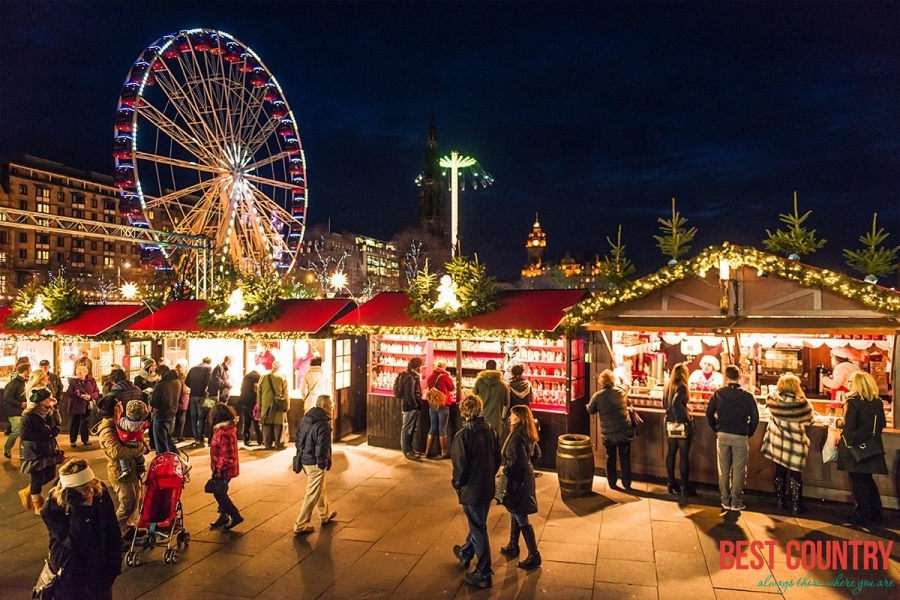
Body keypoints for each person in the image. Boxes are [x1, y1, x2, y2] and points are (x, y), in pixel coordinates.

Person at [40, 458, 121, 600]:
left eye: (90, 485)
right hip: (70, 571)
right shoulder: (52, 509)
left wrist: (113, 567)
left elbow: (112, 531)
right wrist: (78, 509)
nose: (89, 491)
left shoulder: (99, 493)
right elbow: (75, 542)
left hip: (98, 568)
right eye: (83, 489)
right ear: (70, 491)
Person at [451, 394, 500, 589]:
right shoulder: (491, 431)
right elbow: (497, 459)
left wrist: (457, 483)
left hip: (471, 488)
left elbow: (460, 467)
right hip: (487, 486)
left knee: (478, 529)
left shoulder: (463, 436)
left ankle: (484, 573)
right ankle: (465, 553)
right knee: (478, 522)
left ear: (464, 411)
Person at [706, 365, 759, 512]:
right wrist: (749, 432)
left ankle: (724, 500)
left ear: (726, 377)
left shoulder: (718, 393)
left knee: (724, 469)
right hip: (740, 435)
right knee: (739, 470)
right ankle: (736, 501)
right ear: (740, 376)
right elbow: (755, 418)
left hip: (722, 434)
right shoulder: (747, 396)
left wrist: (716, 428)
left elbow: (709, 413)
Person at [837, 371, 888, 526]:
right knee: (868, 479)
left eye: (851, 381)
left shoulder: (852, 402)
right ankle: (876, 512)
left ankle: (863, 516)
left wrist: (838, 423)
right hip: (871, 446)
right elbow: (882, 425)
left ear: (857, 384)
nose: (848, 383)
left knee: (858, 481)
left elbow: (848, 427)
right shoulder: (877, 401)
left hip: (855, 449)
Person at [760, 374, 815, 514]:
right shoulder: (802, 403)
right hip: (795, 444)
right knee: (795, 475)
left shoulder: (772, 399)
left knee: (779, 472)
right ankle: (796, 505)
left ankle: (780, 501)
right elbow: (810, 420)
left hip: (778, 442)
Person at [95, 395, 147, 535]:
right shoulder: (107, 429)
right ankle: (114, 535)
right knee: (127, 504)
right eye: (120, 403)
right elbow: (116, 452)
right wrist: (138, 450)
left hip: (131, 468)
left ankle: (127, 528)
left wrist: (143, 446)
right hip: (120, 472)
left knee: (135, 501)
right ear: (117, 407)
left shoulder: (120, 422)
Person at [499, 404, 541, 570]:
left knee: (520, 515)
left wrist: (507, 471)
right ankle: (513, 544)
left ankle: (534, 554)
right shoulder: (528, 432)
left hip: (518, 481)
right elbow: (537, 454)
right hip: (526, 477)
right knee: (514, 511)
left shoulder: (516, 436)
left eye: (513, 415)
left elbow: (518, 462)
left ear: (520, 418)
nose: (510, 417)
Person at [293, 394, 337, 535]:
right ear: (324, 406)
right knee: (312, 493)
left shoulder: (307, 418)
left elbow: (298, 438)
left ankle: (324, 514)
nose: (333, 406)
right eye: (331, 404)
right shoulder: (322, 424)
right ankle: (300, 524)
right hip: (313, 461)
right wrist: (322, 463)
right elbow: (321, 446)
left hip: (305, 458)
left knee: (320, 487)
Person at [587, 369, 634, 491]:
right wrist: (621, 375)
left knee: (610, 457)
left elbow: (590, 410)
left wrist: (588, 406)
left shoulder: (598, 396)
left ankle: (612, 483)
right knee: (625, 457)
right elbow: (627, 385)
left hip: (609, 434)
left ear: (601, 382)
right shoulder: (621, 391)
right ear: (612, 380)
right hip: (624, 430)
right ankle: (627, 483)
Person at [19, 388, 61, 514]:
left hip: (48, 449)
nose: (51, 400)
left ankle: (27, 491)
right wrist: (46, 435)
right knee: (37, 478)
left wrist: (54, 413)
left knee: (50, 475)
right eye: (48, 398)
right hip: (35, 451)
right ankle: (38, 505)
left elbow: (57, 424)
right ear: (42, 401)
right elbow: (25, 435)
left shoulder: (49, 412)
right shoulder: (29, 416)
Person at [208, 403, 243, 530]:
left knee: (219, 493)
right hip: (222, 468)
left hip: (223, 469)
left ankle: (235, 515)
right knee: (221, 491)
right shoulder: (224, 429)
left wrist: (218, 468)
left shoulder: (223, 433)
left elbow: (227, 456)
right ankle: (223, 515)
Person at [663, 362, 693, 497]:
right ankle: (684, 487)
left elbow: (666, 404)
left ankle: (671, 483)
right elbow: (675, 403)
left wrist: (684, 407)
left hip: (669, 422)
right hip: (679, 423)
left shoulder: (668, 385)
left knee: (671, 453)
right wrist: (683, 417)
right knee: (684, 455)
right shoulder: (682, 386)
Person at [396, 357, 424, 460]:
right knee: (407, 429)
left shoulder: (410, 376)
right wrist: (415, 405)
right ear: (417, 367)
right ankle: (407, 451)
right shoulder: (410, 377)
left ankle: (410, 449)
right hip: (409, 408)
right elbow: (409, 394)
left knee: (411, 429)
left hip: (410, 407)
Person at [426, 359, 455, 459]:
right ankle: (444, 452)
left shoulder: (430, 376)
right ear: (444, 367)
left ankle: (427, 451)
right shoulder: (445, 376)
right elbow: (451, 388)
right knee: (442, 428)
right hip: (443, 405)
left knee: (433, 427)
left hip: (432, 404)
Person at [149, 365, 181, 454]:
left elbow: (154, 403)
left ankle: (164, 464)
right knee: (169, 440)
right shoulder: (178, 382)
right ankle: (177, 460)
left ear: (160, 374)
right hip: (172, 414)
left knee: (161, 445)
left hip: (160, 416)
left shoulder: (160, 385)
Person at [473, 359, 510, 434]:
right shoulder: (503, 386)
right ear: (496, 368)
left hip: (480, 420)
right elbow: (506, 403)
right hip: (496, 422)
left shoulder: (479, 383)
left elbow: (473, 400)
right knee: (494, 443)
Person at [822, 347, 863, 415]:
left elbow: (836, 384)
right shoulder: (853, 366)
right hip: (851, 400)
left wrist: (824, 379)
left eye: (832, 358)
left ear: (836, 358)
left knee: (839, 420)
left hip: (841, 401)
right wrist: (830, 390)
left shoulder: (841, 367)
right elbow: (846, 384)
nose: (831, 360)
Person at [66, 365, 99, 448]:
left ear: (86, 372)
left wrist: (90, 396)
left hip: (87, 405)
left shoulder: (91, 381)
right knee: (75, 423)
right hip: (76, 404)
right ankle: (73, 441)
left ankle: (85, 440)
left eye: (81, 372)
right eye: (78, 372)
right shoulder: (73, 382)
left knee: (85, 422)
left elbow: (96, 391)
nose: (79, 374)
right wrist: (79, 395)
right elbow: (69, 393)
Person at [259, 360, 289, 449]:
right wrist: (287, 405)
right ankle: (277, 443)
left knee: (267, 424)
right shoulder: (282, 378)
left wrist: (259, 404)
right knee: (277, 424)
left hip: (266, 405)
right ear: (280, 367)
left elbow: (259, 392)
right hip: (278, 404)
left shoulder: (263, 377)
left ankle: (267, 444)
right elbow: (286, 393)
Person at [3, 362, 31, 460]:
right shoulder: (13, 383)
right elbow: (6, 397)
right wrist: (20, 404)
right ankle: (7, 448)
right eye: (29, 369)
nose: (31, 371)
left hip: (24, 410)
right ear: (25, 371)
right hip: (14, 411)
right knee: (17, 431)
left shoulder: (26, 382)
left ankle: (23, 453)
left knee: (24, 431)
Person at [116, 400, 149, 481]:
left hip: (125, 443)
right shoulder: (142, 424)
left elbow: (118, 425)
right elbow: (146, 427)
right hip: (137, 443)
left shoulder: (122, 421)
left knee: (122, 458)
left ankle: (125, 470)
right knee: (140, 452)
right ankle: (141, 464)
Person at [185, 357, 213, 447]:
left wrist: (194, 387)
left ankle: (195, 436)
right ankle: (200, 437)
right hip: (202, 396)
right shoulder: (208, 368)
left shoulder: (193, 368)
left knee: (193, 417)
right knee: (202, 417)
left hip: (192, 395)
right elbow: (209, 382)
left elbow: (186, 381)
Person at [238, 367, 263, 446]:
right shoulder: (257, 377)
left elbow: (241, 388)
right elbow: (257, 390)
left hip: (243, 401)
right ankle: (260, 439)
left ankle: (246, 439)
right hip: (251, 402)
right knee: (256, 421)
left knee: (246, 421)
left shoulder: (246, 377)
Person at [173, 359, 190, 442]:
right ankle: (180, 435)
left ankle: (174, 434)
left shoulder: (174, 376)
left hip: (175, 396)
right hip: (184, 396)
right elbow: (186, 388)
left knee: (175, 416)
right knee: (182, 416)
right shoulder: (185, 376)